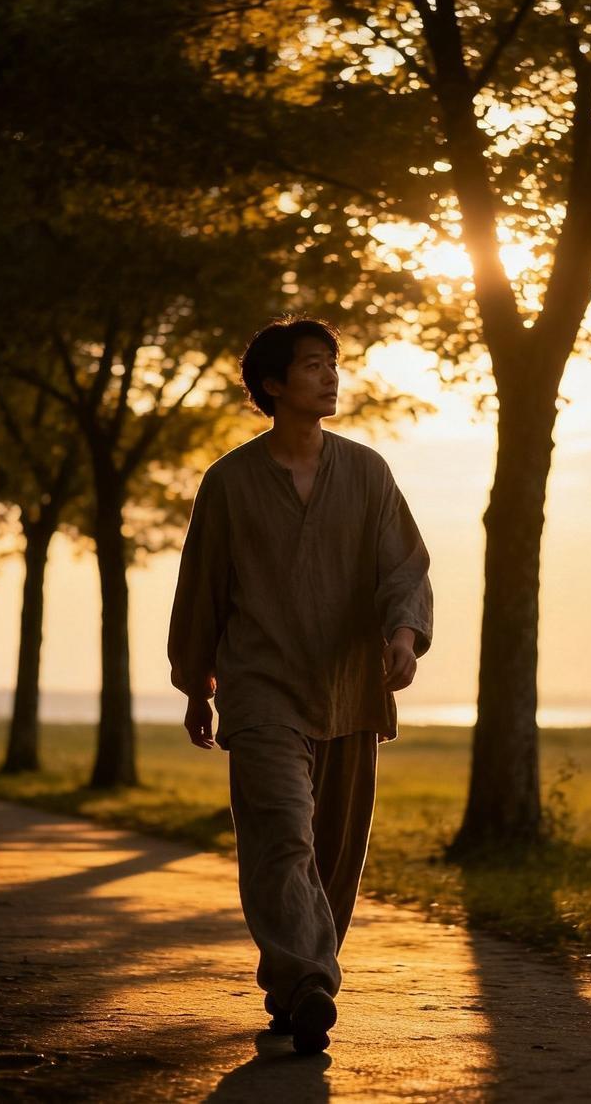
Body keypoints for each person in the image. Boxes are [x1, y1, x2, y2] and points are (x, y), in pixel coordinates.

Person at [167, 316, 433, 1056]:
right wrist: (197, 682)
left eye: (333, 364)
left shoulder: (368, 473)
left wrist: (403, 635)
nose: (330, 376)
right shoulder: (228, 483)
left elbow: (403, 567)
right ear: (274, 385)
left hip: (349, 688)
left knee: (333, 857)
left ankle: (293, 984)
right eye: (314, 365)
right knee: (282, 835)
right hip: (260, 690)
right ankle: (313, 977)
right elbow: (203, 588)